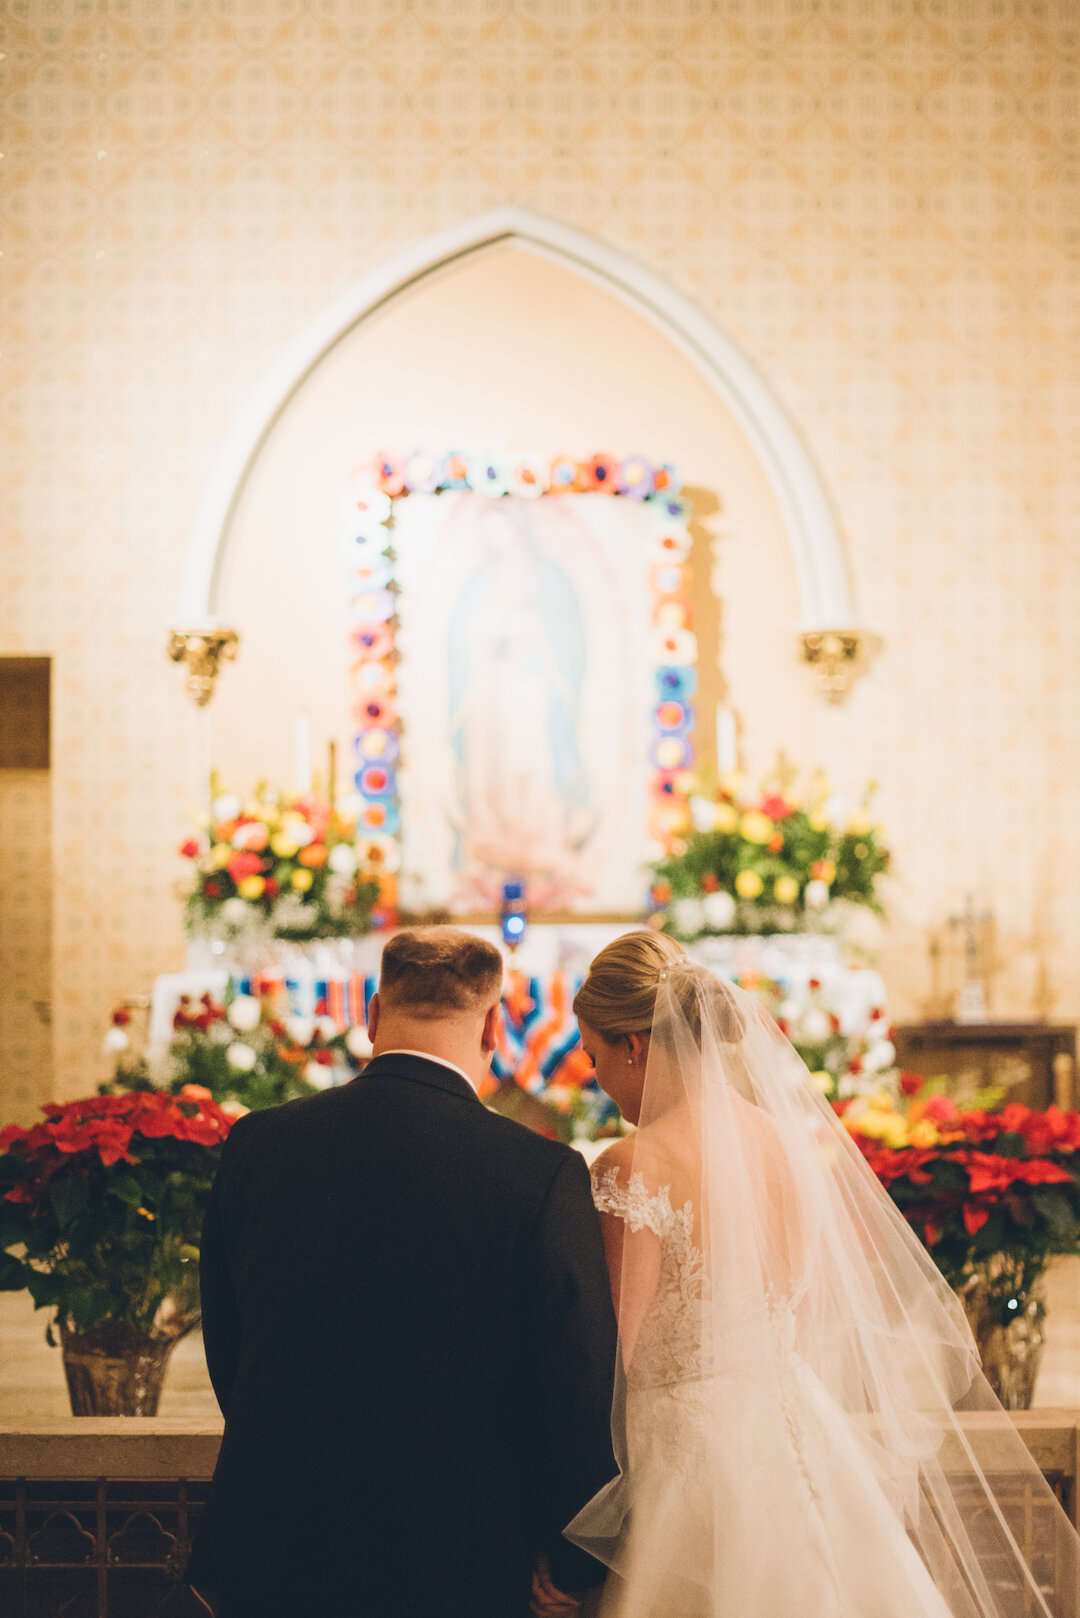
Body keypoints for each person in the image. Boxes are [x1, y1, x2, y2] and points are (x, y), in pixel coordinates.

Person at [553, 931, 1080, 1618]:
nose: (597, 1078)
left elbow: (610, 1362)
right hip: (794, 1432)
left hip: (688, 1467)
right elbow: (795, 1310)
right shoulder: (779, 1141)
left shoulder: (633, 1167)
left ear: (636, 1047)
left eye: (595, 1056)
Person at [187, 926, 618, 1618]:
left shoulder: (258, 1144)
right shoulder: (540, 1173)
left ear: (372, 1014)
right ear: (494, 1029)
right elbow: (575, 1380)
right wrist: (573, 1559)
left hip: (277, 1542)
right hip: (462, 1558)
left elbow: (229, 1344)